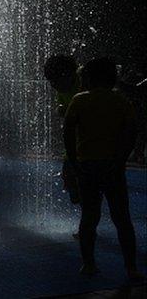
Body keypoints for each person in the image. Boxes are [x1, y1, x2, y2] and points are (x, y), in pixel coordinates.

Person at [64, 57, 143, 280]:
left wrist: (73, 160)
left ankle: (88, 264)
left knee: (89, 217)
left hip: (87, 165)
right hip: (112, 166)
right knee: (122, 218)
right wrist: (121, 159)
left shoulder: (79, 101)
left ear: (87, 78)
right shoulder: (120, 101)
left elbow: (68, 132)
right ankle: (131, 268)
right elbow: (132, 132)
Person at [43, 55, 82, 206]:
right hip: (73, 143)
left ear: (69, 74)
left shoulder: (84, 82)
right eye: (51, 82)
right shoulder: (62, 87)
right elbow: (63, 109)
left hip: (90, 143)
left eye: (55, 81)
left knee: (86, 186)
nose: (53, 85)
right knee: (69, 179)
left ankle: (88, 222)